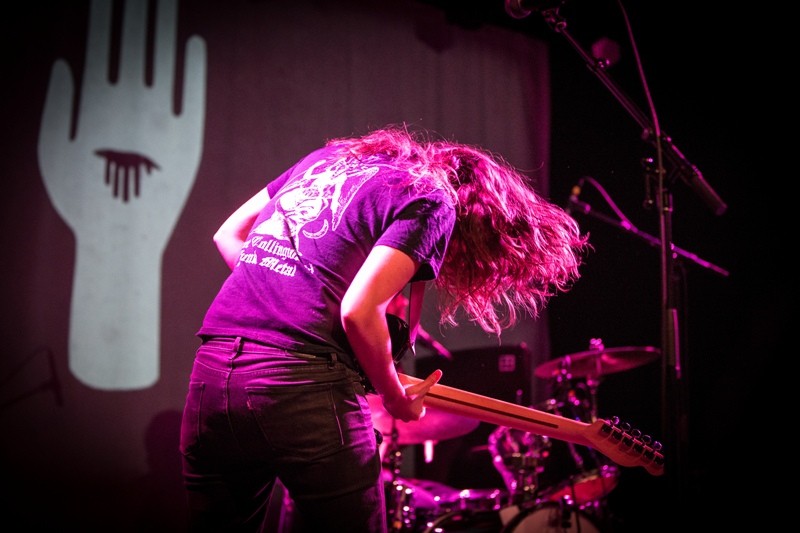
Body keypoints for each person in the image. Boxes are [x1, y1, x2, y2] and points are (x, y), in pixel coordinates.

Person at [178, 124, 590, 532]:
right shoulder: (433, 200)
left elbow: (228, 234)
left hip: (214, 375)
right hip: (303, 384)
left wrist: (291, 291)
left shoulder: (326, 160)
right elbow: (359, 310)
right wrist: (394, 397)